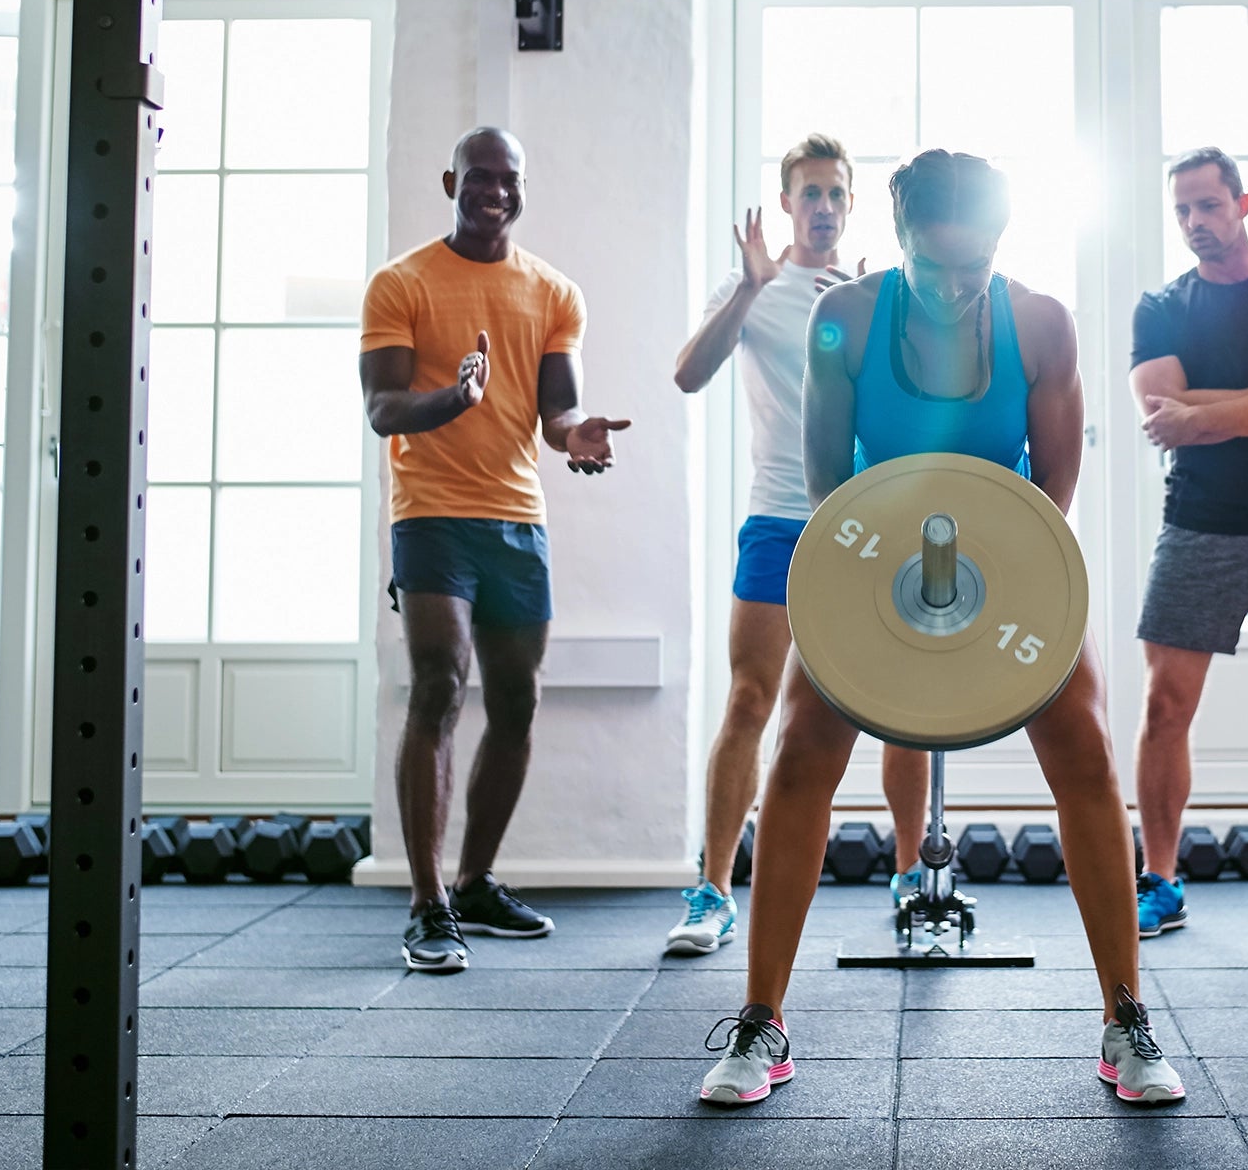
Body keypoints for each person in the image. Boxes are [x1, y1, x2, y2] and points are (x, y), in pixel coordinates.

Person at [697, 150, 1185, 1106]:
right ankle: (762, 1022)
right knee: (798, 752)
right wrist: (889, 598)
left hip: (1008, 555)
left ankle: (1124, 1018)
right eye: (936, 267)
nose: (959, 288)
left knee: (1085, 750)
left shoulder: (1040, 324)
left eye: (978, 266)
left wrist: (991, 598)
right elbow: (827, 482)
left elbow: (1052, 491)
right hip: (871, 548)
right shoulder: (846, 319)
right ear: (901, 238)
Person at [360, 126, 629, 974]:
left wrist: (575, 432)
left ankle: (475, 880)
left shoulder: (554, 293)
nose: (494, 192)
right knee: (440, 685)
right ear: (452, 181)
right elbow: (383, 409)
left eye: (508, 179)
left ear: (523, 188)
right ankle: (428, 901)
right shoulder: (401, 283)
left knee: (517, 704)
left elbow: (556, 413)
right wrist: (453, 398)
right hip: (431, 513)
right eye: (480, 177)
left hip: (517, 520)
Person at [666, 135, 927, 956]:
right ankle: (712, 889)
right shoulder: (756, 290)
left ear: (852, 206)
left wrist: (874, 316)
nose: (822, 207)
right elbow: (687, 374)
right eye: (809, 193)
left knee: (903, 709)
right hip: (779, 517)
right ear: (786, 203)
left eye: (835, 195)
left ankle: (913, 879)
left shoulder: (878, 297)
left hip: (868, 520)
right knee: (751, 700)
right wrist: (747, 288)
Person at [1128, 148, 1248, 940]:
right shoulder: (1160, 306)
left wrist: (1201, 414)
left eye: (1208, 206)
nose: (1195, 224)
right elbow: (1156, 409)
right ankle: (1161, 880)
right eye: (1182, 211)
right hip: (1198, 523)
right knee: (1164, 707)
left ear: (1242, 203)